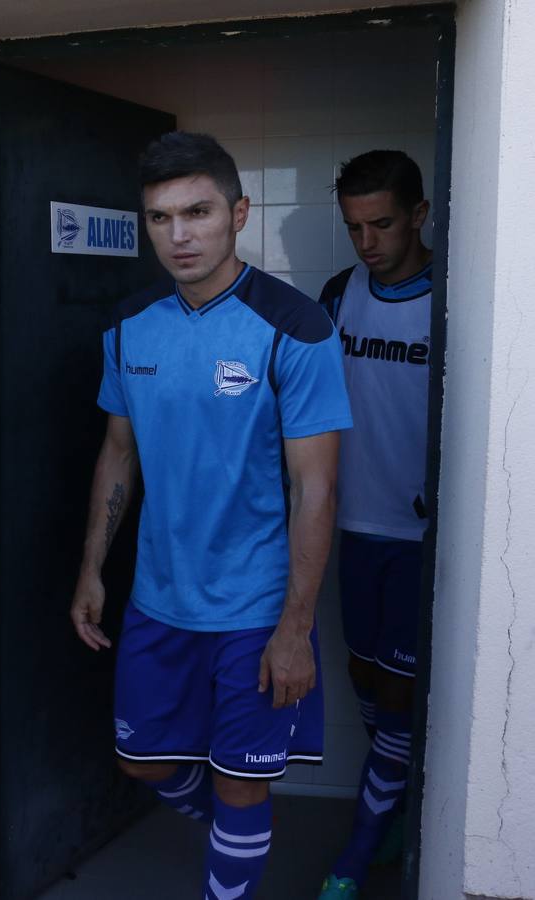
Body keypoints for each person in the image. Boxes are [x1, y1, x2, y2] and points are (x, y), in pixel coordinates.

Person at [69, 132, 353, 899]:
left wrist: (295, 631)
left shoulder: (295, 328)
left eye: (197, 212)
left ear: (239, 213)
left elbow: (317, 490)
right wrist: (92, 568)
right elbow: (117, 455)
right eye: (160, 219)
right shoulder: (130, 327)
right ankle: (239, 840)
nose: (180, 235)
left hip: (255, 609)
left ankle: (233, 852)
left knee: (240, 786)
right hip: (159, 600)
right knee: (145, 762)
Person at [315, 150, 433, 900]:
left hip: (421, 541)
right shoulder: (338, 294)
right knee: (365, 678)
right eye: (355, 226)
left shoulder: (456, 297)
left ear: (419, 215)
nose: (367, 243)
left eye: (382, 224)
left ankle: (356, 854)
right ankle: (397, 801)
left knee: (399, 692)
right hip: (351, 530)